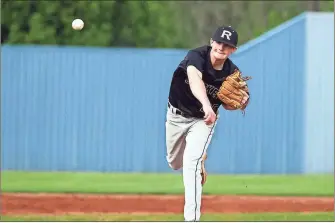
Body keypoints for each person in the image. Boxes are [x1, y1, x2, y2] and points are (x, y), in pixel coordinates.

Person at [165, 25, 249, 221]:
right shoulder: (196, 56)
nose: (222, 47)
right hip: (177, 116)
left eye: (227, 45)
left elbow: (233, 102)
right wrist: (207, 105)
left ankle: (191, 218)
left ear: (233, 50)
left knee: (190, 164)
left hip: (204, 121)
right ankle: (198, 160)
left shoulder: (231, 72)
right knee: (174, 162)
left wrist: (242, 102)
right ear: (212, 42)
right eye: (219, 42)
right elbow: (195, 81)